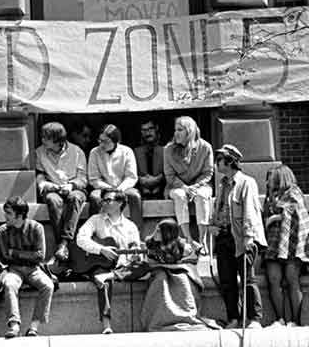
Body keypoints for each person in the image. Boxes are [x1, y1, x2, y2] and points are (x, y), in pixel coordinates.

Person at [210, 144, 266, 329]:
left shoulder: (246, 182)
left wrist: (249, 238)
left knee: (247, 279)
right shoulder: (222, 184)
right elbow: (219, 209)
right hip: (223, 237)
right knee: (227, 281)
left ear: (230, 161)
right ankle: (234, 317)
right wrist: (213, 226)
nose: (217, 163)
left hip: (241, 238)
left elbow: (250, 210)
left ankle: (255, 318)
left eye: (219, 160)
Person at [74, 189, 145, 334]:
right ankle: (106, 324)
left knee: (143, 266)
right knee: (104, 280)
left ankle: (114, 274)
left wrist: (136, 254)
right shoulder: (95, 219)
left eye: (108, 200)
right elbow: (81, 239)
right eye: (103, 200)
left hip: (123, 265)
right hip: (102, 265)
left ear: (119, 203)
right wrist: (101, 249)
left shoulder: (130, 226)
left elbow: (134, 247)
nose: (103, 203)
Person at [140, 218, 215, 331]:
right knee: (161, 280)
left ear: (167, 234)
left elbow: (191, 261)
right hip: (159, 270)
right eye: (156, 230)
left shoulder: (181, 245)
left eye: (159, 231)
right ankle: (160, 318)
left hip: (179, 270)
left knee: (183, 279)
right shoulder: (151, 244)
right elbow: (150, 263)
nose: (155, 233)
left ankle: (186, 314)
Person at [262, 163, 309, 327]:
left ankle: (296, 321)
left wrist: (274, 218)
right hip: (273, 243)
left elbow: (296, 213)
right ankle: (280, 319)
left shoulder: (294, 192)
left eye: (270, 179)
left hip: (292, 244)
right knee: (274, 279)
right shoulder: (270, 197)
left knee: (292, 279)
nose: (268, 182)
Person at [0, 196, 53, 338]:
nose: (5, 216)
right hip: (14, 269)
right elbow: (4, 257)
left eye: (9, 213)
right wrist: (27, 255)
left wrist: (15, 252)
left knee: (48, 285)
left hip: (34, 269)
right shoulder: (3, 231)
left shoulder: (36, 228)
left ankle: (33, 327)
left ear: (20, 215)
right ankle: (14, 324)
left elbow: (40, 256)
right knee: (9, 284)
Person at [34, 121, 88, 266]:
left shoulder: (77, 152)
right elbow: (39, 174)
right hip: (53, 189)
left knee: (75, 198)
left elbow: (83, 179)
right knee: (53, 200)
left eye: (46, 137)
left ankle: (63, 244)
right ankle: (62, 245)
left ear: (57, 140)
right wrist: (44, 184)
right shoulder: (39, 152)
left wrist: (71, 185)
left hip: (73, 188)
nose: (42, 140)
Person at [164, 115, 214, 251]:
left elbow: (208, 172)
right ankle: (188, 239)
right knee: (180, 196)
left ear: (189, 131)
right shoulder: (168, 150)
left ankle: (202, 240)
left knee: (202, 195)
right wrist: (185, 188)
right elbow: (170, 176)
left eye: (180, 130)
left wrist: (194, 187)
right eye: (175, 130)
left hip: (200, 185)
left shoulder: (205, 147)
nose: (176, 133)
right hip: (177, 186)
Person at [87, 124, 144, 227]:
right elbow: (93, 178)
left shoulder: (127, 151)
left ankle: (137, 234)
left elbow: (131, 176)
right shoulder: (94, 152)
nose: (101, 144)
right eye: (100, 140)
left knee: (134, 196)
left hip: (123, 188)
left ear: (115, 141)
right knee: (94, 197)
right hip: (103, 188)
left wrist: (120, 189)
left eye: (105, 141)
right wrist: (108, 188)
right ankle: (95, 233)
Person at [134, 119, 166, 200]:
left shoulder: (165, 149)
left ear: (156, 128)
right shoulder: (135, 151)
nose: (147, 133)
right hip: (141, 190)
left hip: (162, 189)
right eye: (144, 130)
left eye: (150, 129)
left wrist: (158, 179)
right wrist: (140, 179)